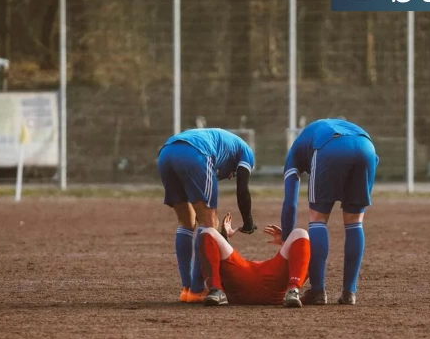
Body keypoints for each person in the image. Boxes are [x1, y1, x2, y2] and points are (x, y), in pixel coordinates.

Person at [279, 118, 378, 305]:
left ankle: (318, 291)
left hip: (329, 147)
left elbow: (290, 203)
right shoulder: (322, 129)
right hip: (367, 147)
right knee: (354, 221)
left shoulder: (294, 152)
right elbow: (374, 160)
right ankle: (350, 293)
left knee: (317, 218)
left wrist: (286, 238)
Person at [157, 128, 257, 303]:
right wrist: (248, 221)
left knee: (185, 221)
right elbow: (242, 189)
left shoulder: (223, 143)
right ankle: (197, 289)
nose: (231, 177)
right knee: (209, 224)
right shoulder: (246, 153)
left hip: (166, 153)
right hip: (197, 153)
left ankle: (186, 289)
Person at [198, 212, 310, 308]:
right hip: (272, 282)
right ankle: (293, 291)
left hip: (240, 280)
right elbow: (297, 261)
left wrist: (224, 238)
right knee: (300, 233)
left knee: (208, 232)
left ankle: (216, 290)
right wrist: (286, 243)